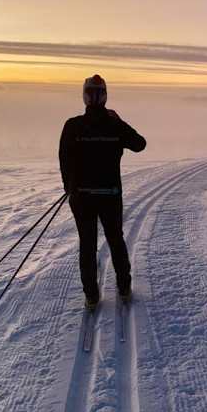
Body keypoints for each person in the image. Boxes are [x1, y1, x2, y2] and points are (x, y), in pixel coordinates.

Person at [59, 74, 146, 310]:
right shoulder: (114, 125)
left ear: (85, 97)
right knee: (115, 239)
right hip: (110, 194)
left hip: (82, 196)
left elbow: (64, 160)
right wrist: (119, 121)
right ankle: (124, 288)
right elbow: (139, 144)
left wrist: (69, 187)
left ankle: (91, 296)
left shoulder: (72, 125)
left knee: (87, 244)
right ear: (105, 96)